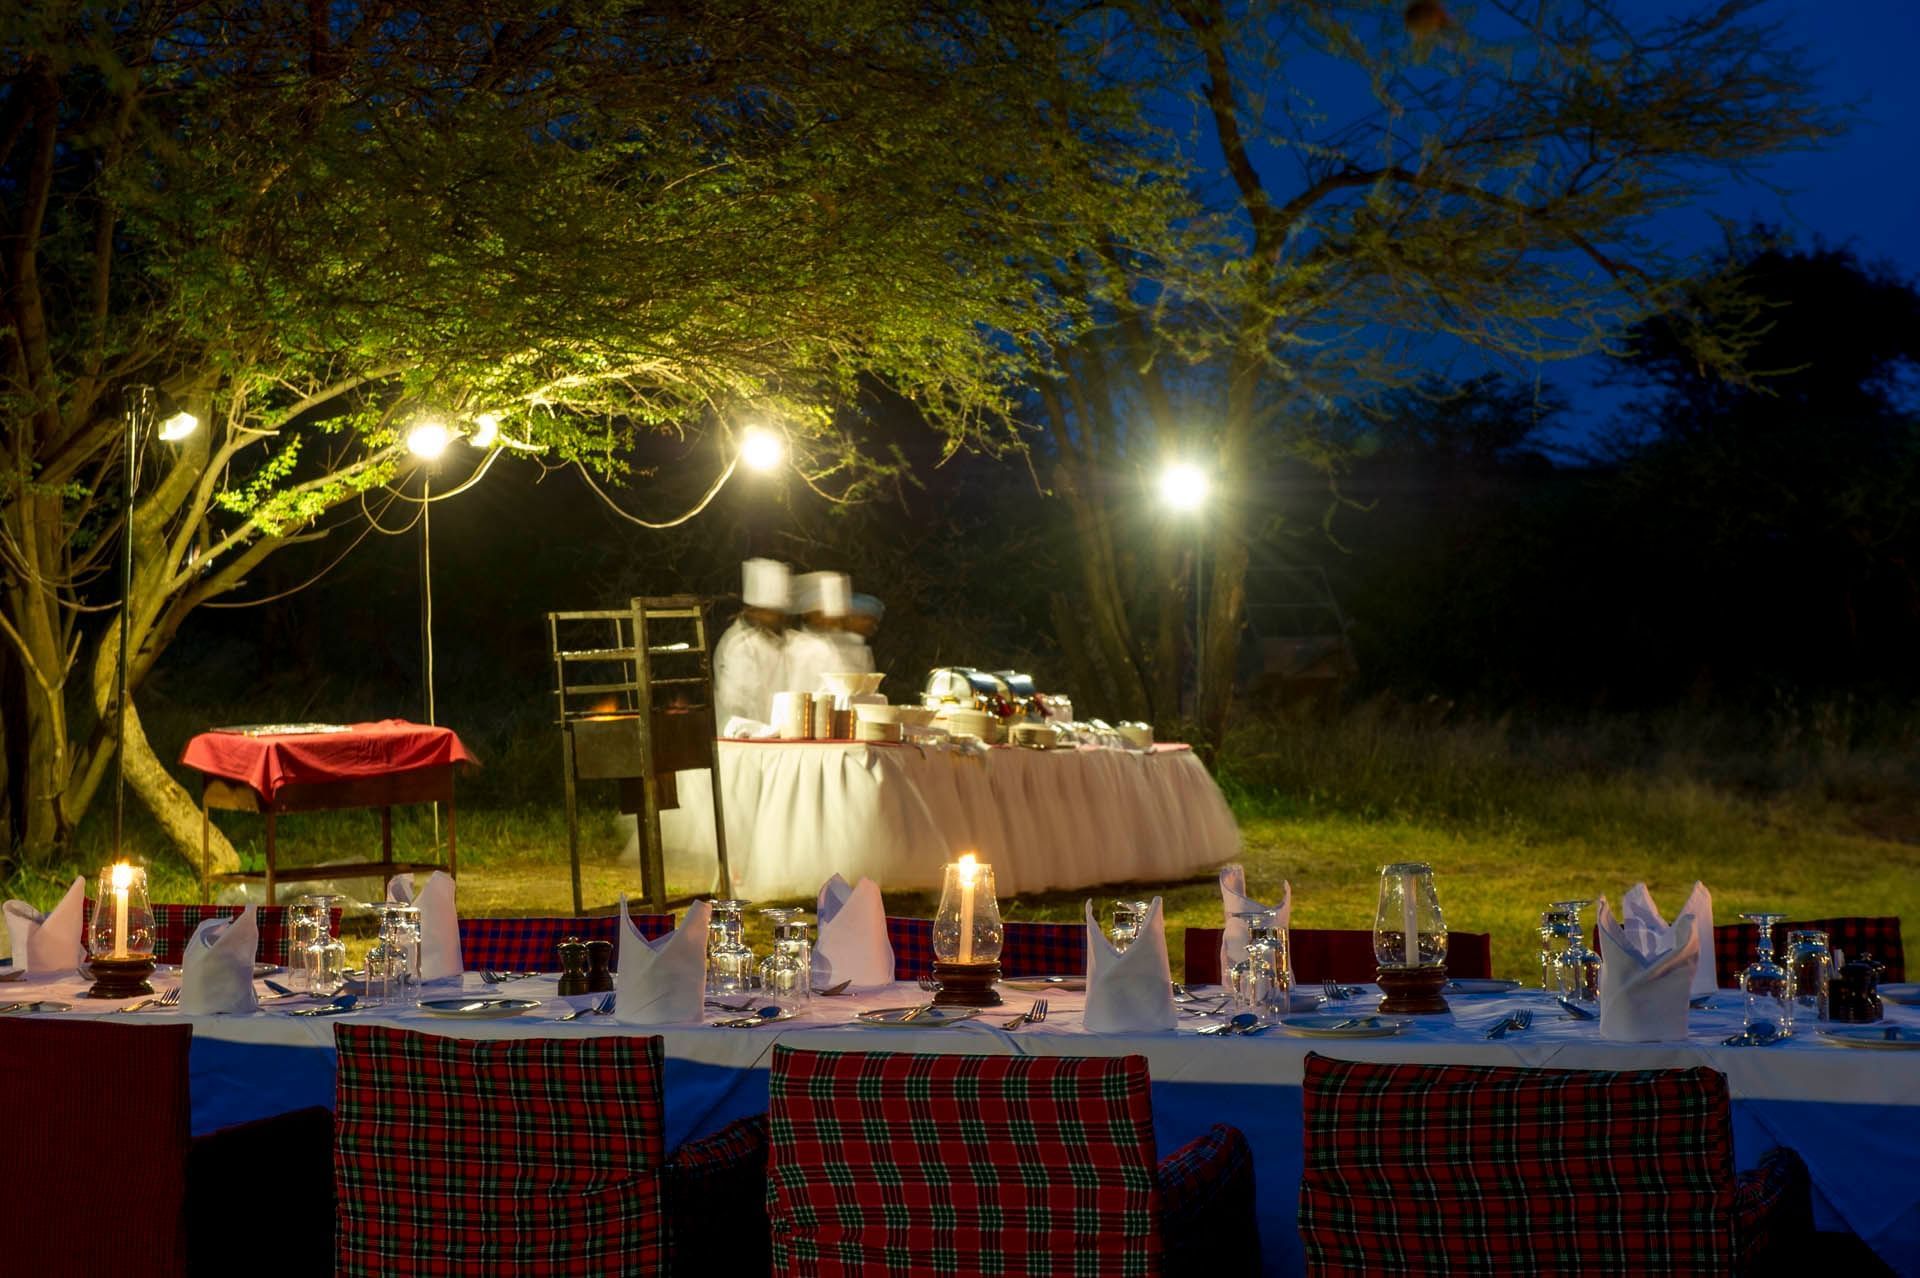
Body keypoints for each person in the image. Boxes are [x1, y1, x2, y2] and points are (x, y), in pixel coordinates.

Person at [712, 558, 791, 726]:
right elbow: (737, 701)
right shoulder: (738, 644)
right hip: (741, 735)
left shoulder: (774, 642)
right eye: (772, 612)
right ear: (754, 611)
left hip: (769, 734)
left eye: (779, 612)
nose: (779, 618)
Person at [785, 569, 851, 696]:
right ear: (807, 613)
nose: (831, 621)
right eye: (823, 613)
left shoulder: (827, 644)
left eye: (833, 616)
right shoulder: (803, 647)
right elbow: (798, 694)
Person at [834, 591, 882, 674]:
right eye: (867, 619)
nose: (874, 627)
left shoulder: (863, 650)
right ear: (850, 617)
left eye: (876, 622)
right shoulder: (825, 646)